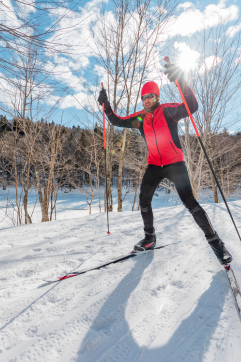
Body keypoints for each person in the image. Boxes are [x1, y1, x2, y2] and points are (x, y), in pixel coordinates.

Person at [97, 63, 232, 265]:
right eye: (143, 97)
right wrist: (106, 106)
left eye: (150, 96)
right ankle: (150, 238)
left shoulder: (168, 111)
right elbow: (117, 120)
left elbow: (192, 106)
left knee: (190, 203)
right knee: (144, 199)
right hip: (154, 165)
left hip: (175, 163)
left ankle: (216, 244)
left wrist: (182, 82)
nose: (146, 100)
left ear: (157, 97)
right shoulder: (140, 118)